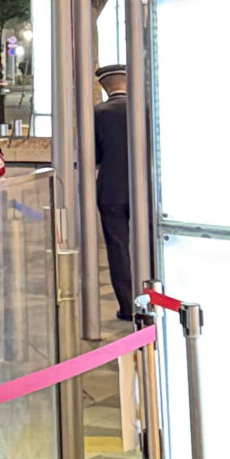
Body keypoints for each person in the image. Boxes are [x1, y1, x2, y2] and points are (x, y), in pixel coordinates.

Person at [91, 64, 134, 318]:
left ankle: (127, 306)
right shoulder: (145, 109)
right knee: (150, 245)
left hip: (111, 191)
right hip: (144, 190)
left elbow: (94, 155)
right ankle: (152, 300)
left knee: (118, 249)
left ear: (104, 87)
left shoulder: (98, 113)